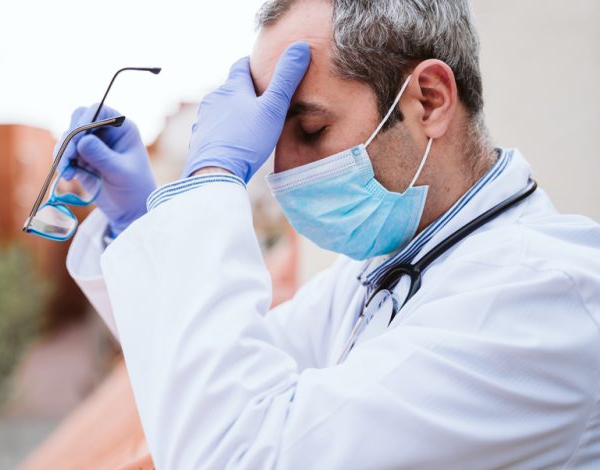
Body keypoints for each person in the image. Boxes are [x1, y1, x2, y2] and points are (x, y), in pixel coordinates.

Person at [61, 0, 600, 467]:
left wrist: (212, 178)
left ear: (429, 100)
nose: (281, 168)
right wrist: (138, 222)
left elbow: (239, 455)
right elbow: (210, 376)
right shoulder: (377, 274)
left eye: (311, 128)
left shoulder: (540, 299)